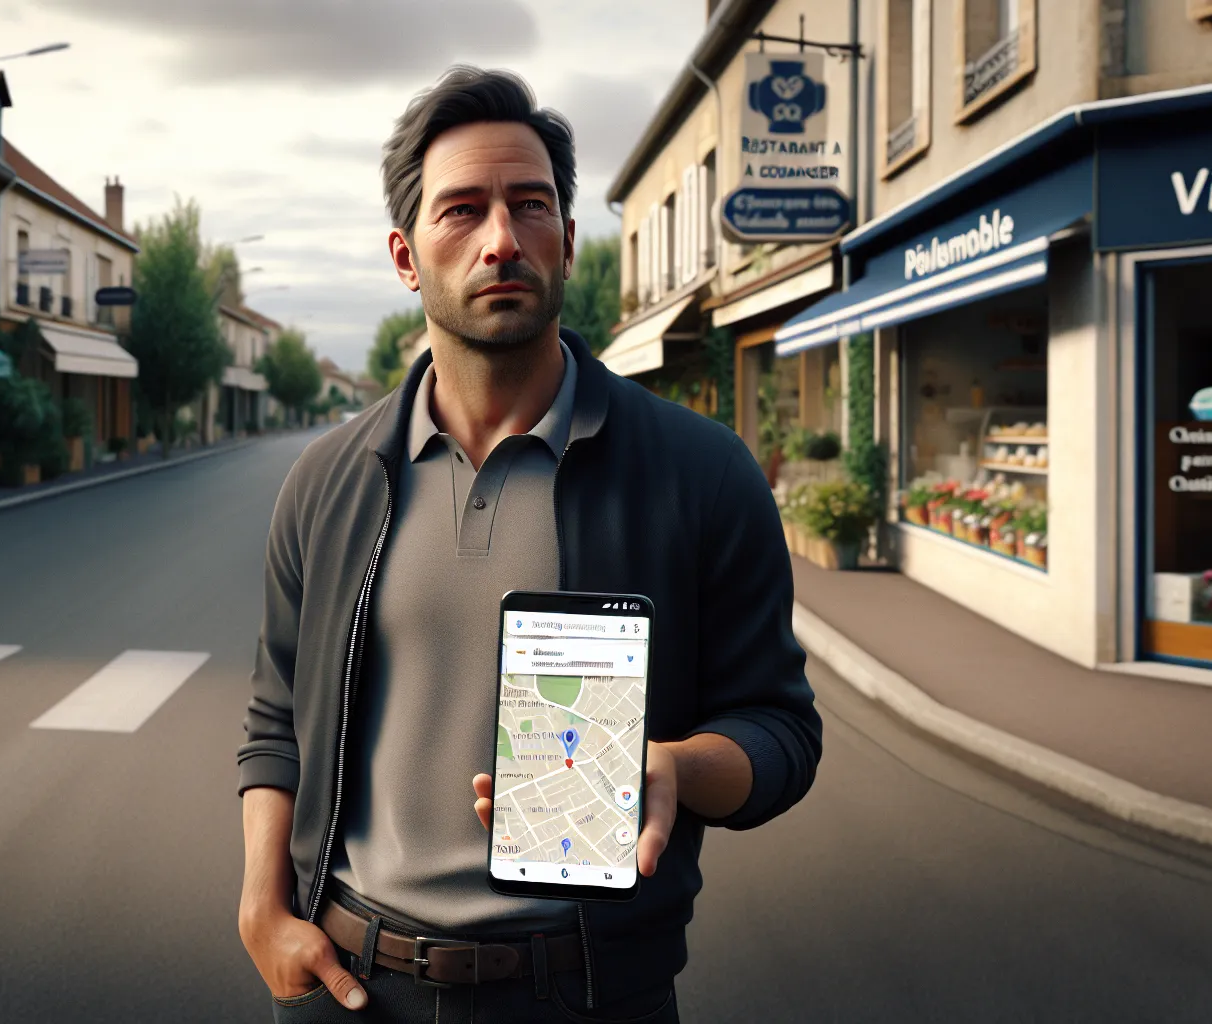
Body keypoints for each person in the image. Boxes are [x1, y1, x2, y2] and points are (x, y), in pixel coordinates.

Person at [237, 65, 822, 1023]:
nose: (502, 239)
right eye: (462, 210)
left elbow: (782, 731)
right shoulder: (326, 481)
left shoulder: (703, 472)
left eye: (531, 205)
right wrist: (263, 906)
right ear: (406, 256)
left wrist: (673, 767)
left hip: (591, 994)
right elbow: (274, 720)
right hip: (348, 990)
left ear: (568, 238)